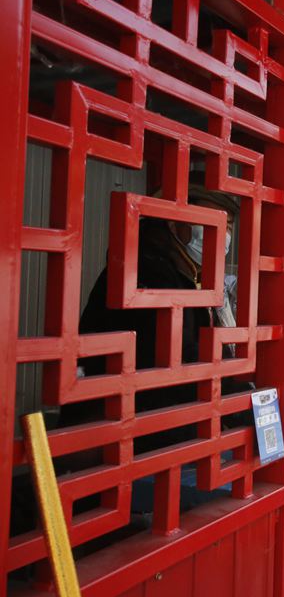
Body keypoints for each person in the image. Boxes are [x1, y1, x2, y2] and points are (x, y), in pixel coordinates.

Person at [66, 184, 249, 454]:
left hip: (157, 428)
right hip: (122, 434)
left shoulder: (189, 273)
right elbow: (181, 357)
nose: (224, 235)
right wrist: (243, 400)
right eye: (211, 222)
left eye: (229, 226)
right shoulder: (148, 271)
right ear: (175, 222)